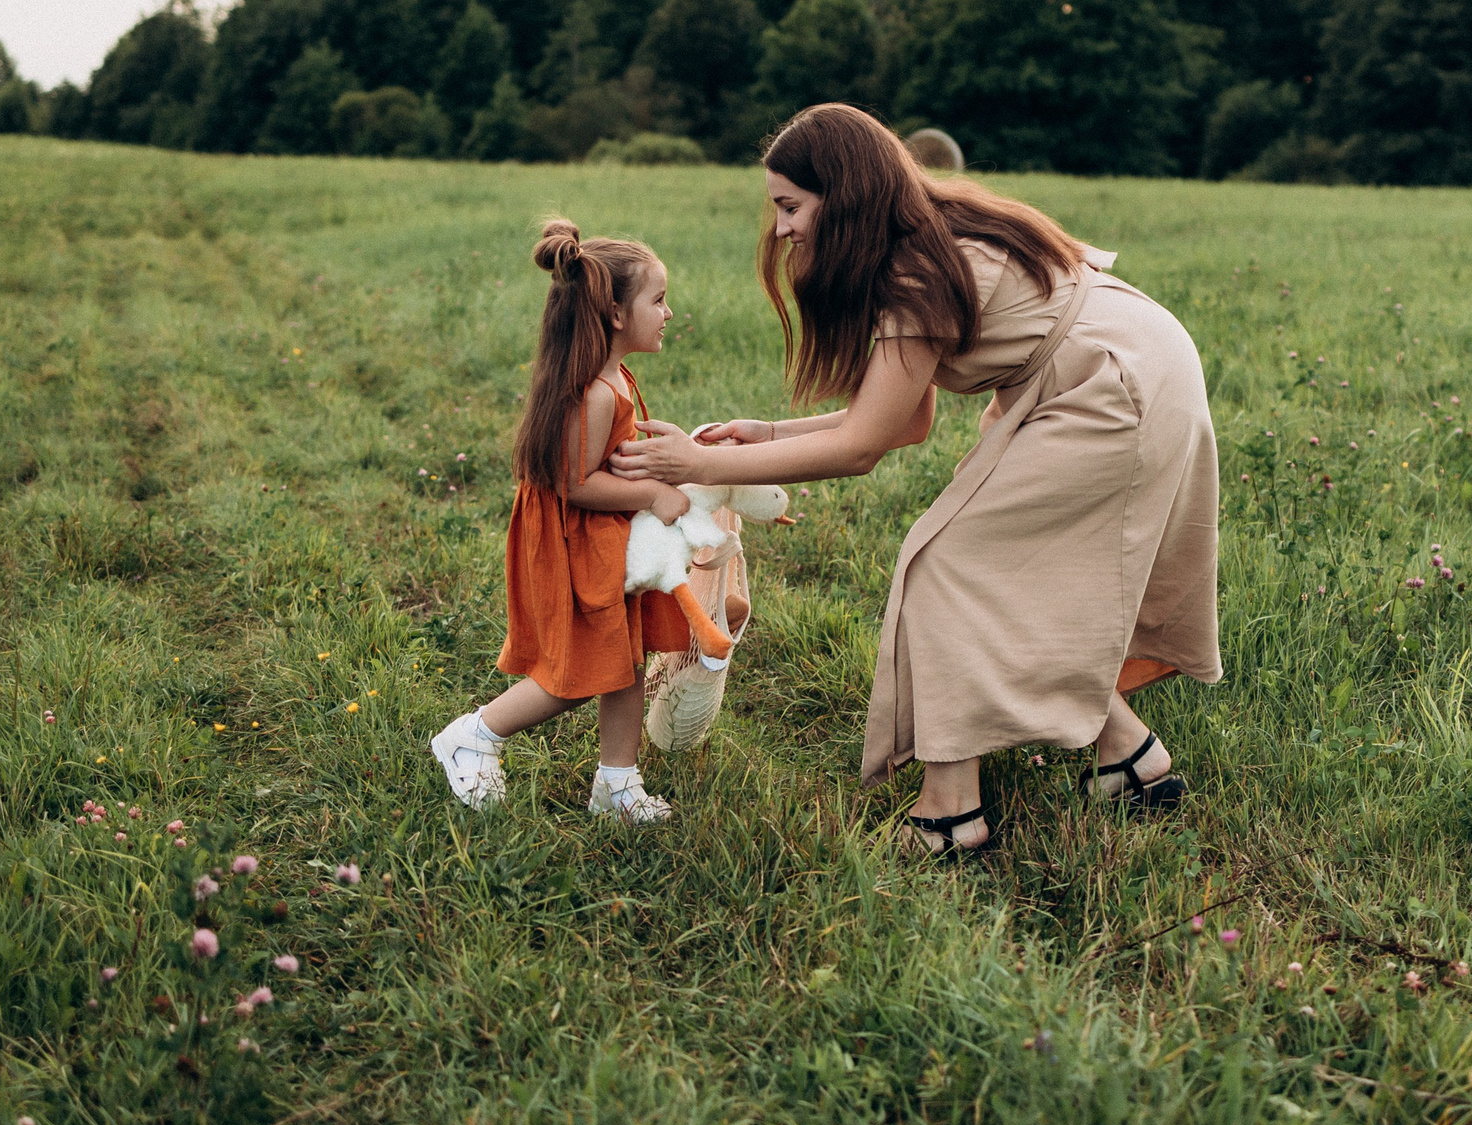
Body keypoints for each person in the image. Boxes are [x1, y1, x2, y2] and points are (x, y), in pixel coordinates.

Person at [610, 104, 1221, 855]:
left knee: (946, 565)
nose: (781, 230)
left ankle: (950, 815)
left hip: (1111, 388)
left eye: (790, 207)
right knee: (1003, 570)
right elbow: (905, 420)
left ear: (844, 194)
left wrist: (700, 464)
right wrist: (765, 434)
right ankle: (1129, 760)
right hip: (1127, 363)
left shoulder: (915, 267)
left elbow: (863, 445)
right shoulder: (918, 237)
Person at [430, 219, 713, 823]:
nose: (668, 312)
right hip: (573, 542)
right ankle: (474, 734)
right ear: (614, 314)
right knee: (579, 670)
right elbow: (575, 483)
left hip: (604, 541)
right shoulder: (597, 394)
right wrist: (652, 498)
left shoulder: (615, 379)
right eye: (658, 301)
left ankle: (617, 783)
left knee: (628, 659)